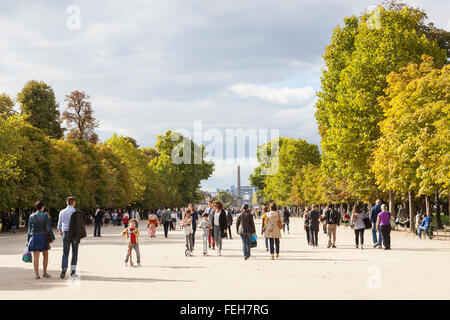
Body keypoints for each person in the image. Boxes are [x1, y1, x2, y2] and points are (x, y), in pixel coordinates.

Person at [58, 196, 86, 279]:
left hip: (65, 234)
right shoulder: (76, 211)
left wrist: (61, 234)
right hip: (74, 235)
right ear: (73, 203)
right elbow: (80, 225)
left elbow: (59, 226)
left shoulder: (62, 212)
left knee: (65, 253)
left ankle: (64, 268)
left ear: (67, 203)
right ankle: (73, 272)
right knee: (74, 253)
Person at [27, 201, 55, 279]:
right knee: (45, 255)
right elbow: (48, 228)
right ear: (42, 207)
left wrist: (28, 240)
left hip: (34, 237)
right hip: (43, 237)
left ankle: (36, 274)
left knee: (36, 257)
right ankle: (45, 272)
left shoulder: (31, 216)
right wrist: (52, 237)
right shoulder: (45, 215)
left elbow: (29, 229)